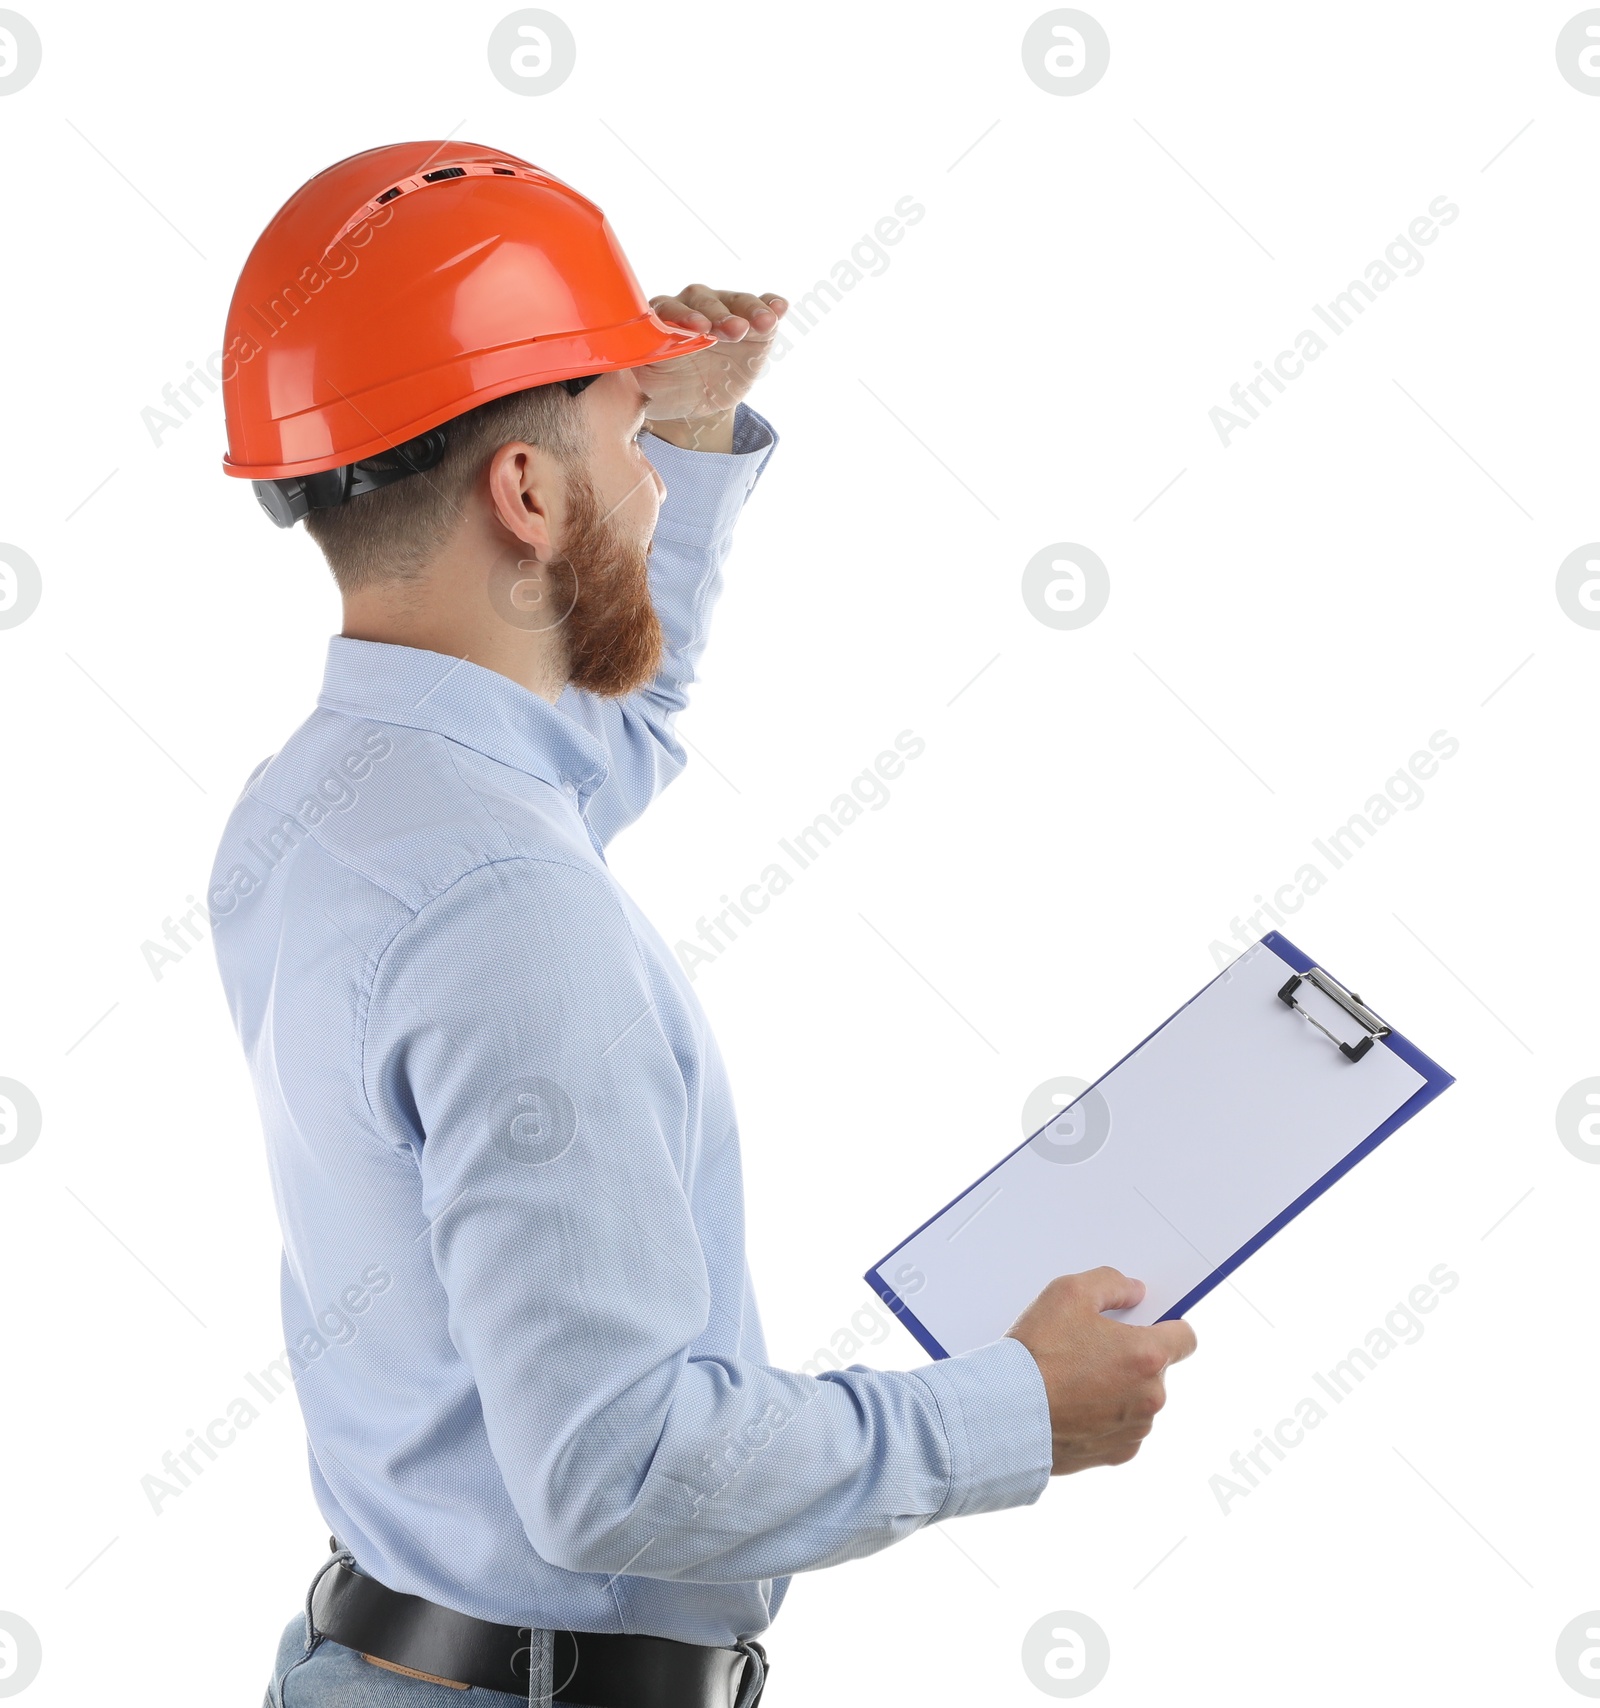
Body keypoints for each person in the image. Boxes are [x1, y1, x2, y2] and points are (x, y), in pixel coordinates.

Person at [210, 142, 1198, 1708]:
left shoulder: (328, 803)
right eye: (625, 439)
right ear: (525, 492)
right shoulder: (511, 909)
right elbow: (622, 1469)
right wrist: (1021, 1410)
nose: (654, 472)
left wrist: (694, 425)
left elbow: (587, 729)